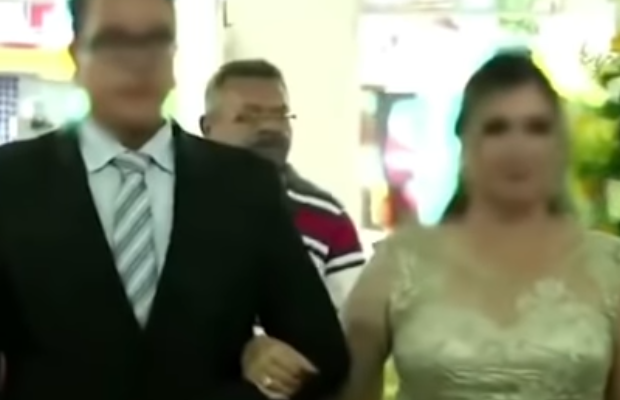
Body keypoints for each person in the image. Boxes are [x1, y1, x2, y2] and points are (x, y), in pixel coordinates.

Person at [0, 0, 349, 399]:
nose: (139, 63)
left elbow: (324, 356)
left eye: (156, 40)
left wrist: (259, 366)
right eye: (115, 41)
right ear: (77, 55)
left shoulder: (244, 187)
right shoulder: (12, 183)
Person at [336, 52, 620, 400]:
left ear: (559, 143)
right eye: (497, 128)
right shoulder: (401, 262)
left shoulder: (609, 266)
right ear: (465, 139)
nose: (517, 148)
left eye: (536, 128)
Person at [200, 59, 364, 398]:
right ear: (207, 127)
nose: (269, 128)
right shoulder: (172, 209)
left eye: (280, 115)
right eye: (249, 116)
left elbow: (350, 337)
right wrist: (246, 348)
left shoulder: (327, 217)